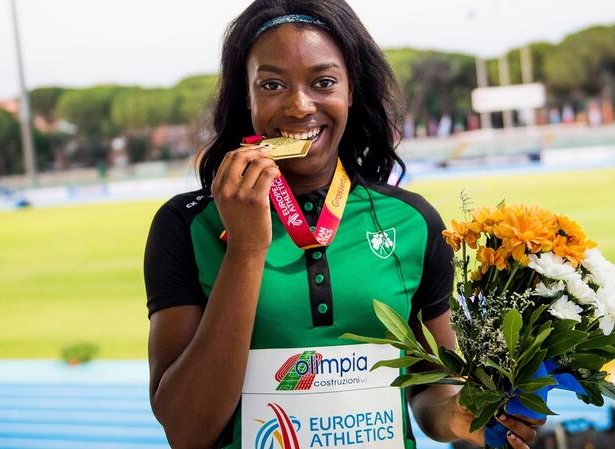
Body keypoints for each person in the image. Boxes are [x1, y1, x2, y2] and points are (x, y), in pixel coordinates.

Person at [143, 1, 543, 448]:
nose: (300, 106)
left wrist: (460, 417)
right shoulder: (187, 224)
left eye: (324, 82)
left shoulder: (411, 220)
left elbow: (433, 388)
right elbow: (187, 431)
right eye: (272, 84)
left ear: (351, 90)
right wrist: (246, 249)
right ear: (246, 96)